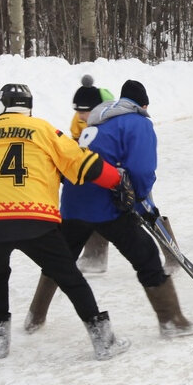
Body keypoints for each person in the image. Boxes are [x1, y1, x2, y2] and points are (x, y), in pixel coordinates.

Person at [25, 80, 193, 340]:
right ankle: (172, 321)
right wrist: (141, 201)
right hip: (106, 203)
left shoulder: (98, 121)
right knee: (146, 257)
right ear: (143, 105)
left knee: (60, 260)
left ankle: (35, 317)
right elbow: (141, 169)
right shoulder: (139, 123)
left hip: (74, 201)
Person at [0, 83, 131, 361]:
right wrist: (116, 180)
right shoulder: (42, 129)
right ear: (28, 107)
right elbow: (81, 163)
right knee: (68, 276)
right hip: (33, 217)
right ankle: (103, 339)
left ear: (1, 106)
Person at [70, 75, 116, 275]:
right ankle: (95, 257)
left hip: (118, 171)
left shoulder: (112, 120)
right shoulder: (78, 121)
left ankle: (171, 252)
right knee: (90, 207)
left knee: (145, 212)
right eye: (77, 111)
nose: (80, 116)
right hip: (95, 170)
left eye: (84, 111)